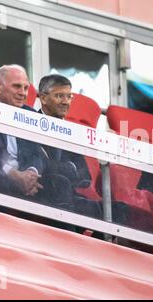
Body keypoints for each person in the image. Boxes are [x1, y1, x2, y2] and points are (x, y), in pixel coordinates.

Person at [0, 65, 44, 198]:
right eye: (17, 86)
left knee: (59, 185)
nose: (23, 93)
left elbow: (37, 153)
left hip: (23, 178)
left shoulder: (30, 114)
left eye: (26, 88)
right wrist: (13, 174)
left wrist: (31, 175)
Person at [36, 74, 102, 218]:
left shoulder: (72, 132)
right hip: (39, 196)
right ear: (43, 98)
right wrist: (70, 168)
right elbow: (41, 167)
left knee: (114, 209)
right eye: (59, 96)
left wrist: (60, 168)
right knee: (61, 184)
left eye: (69, 96)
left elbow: (85, 177)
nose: (66, 102)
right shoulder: (29, 123)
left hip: (70, 197)